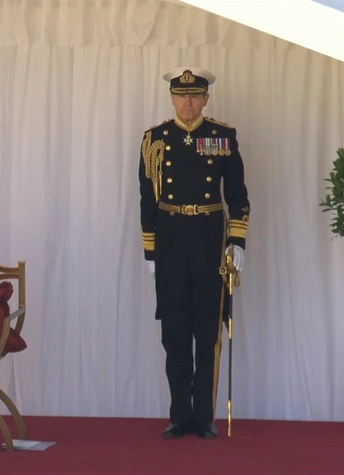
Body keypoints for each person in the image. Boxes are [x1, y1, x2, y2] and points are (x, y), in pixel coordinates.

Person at [138, 67, 250, 439]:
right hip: (170, 237)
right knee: (174, 330)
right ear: (171, 98)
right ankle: (178, 415)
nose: (188, 102)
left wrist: (237, 242)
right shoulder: (154, 140)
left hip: (208, 236)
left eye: (195, 95)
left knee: (207, 329)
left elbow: (237, 194)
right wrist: (150, 252)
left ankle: (204, 416)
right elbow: (146, 199)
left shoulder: (222, 136)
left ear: (206, 98)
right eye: (181, 95)